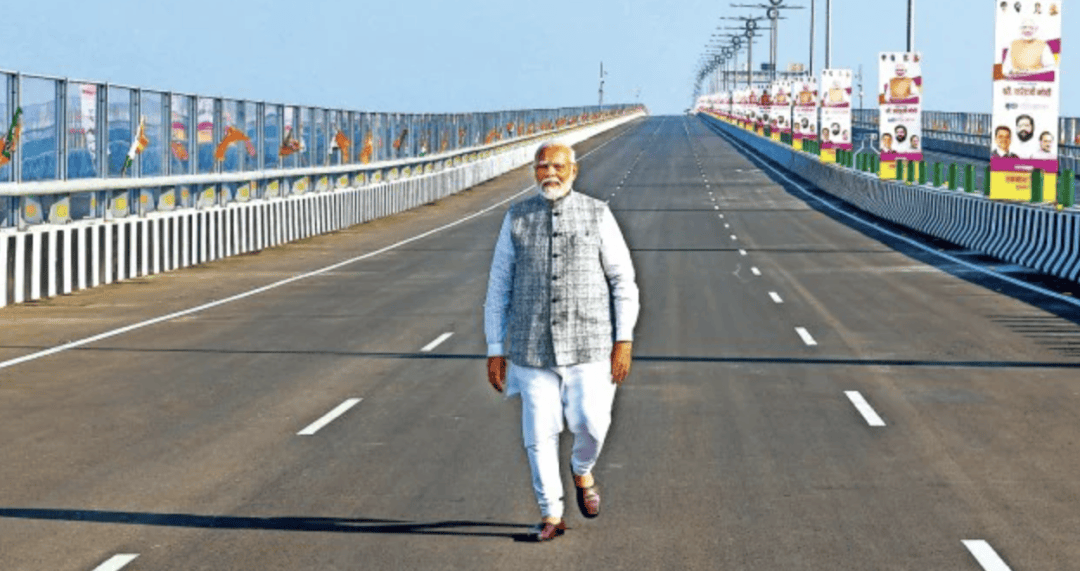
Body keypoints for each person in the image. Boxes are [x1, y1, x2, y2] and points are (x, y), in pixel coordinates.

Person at [485, 140, 640, 542]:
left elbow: (623, 280)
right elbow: (499, 285)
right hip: (531, 347)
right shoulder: (516, 217)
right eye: (542, 166)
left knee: (592, 423)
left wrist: (623, 339)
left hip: (590, 344)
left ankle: (581, 468)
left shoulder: (598, 213)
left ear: (574, 170)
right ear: (534, 172)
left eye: (557, 165)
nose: (549, 173)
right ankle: (551, 513)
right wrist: (494, 348)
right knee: (538, 434)